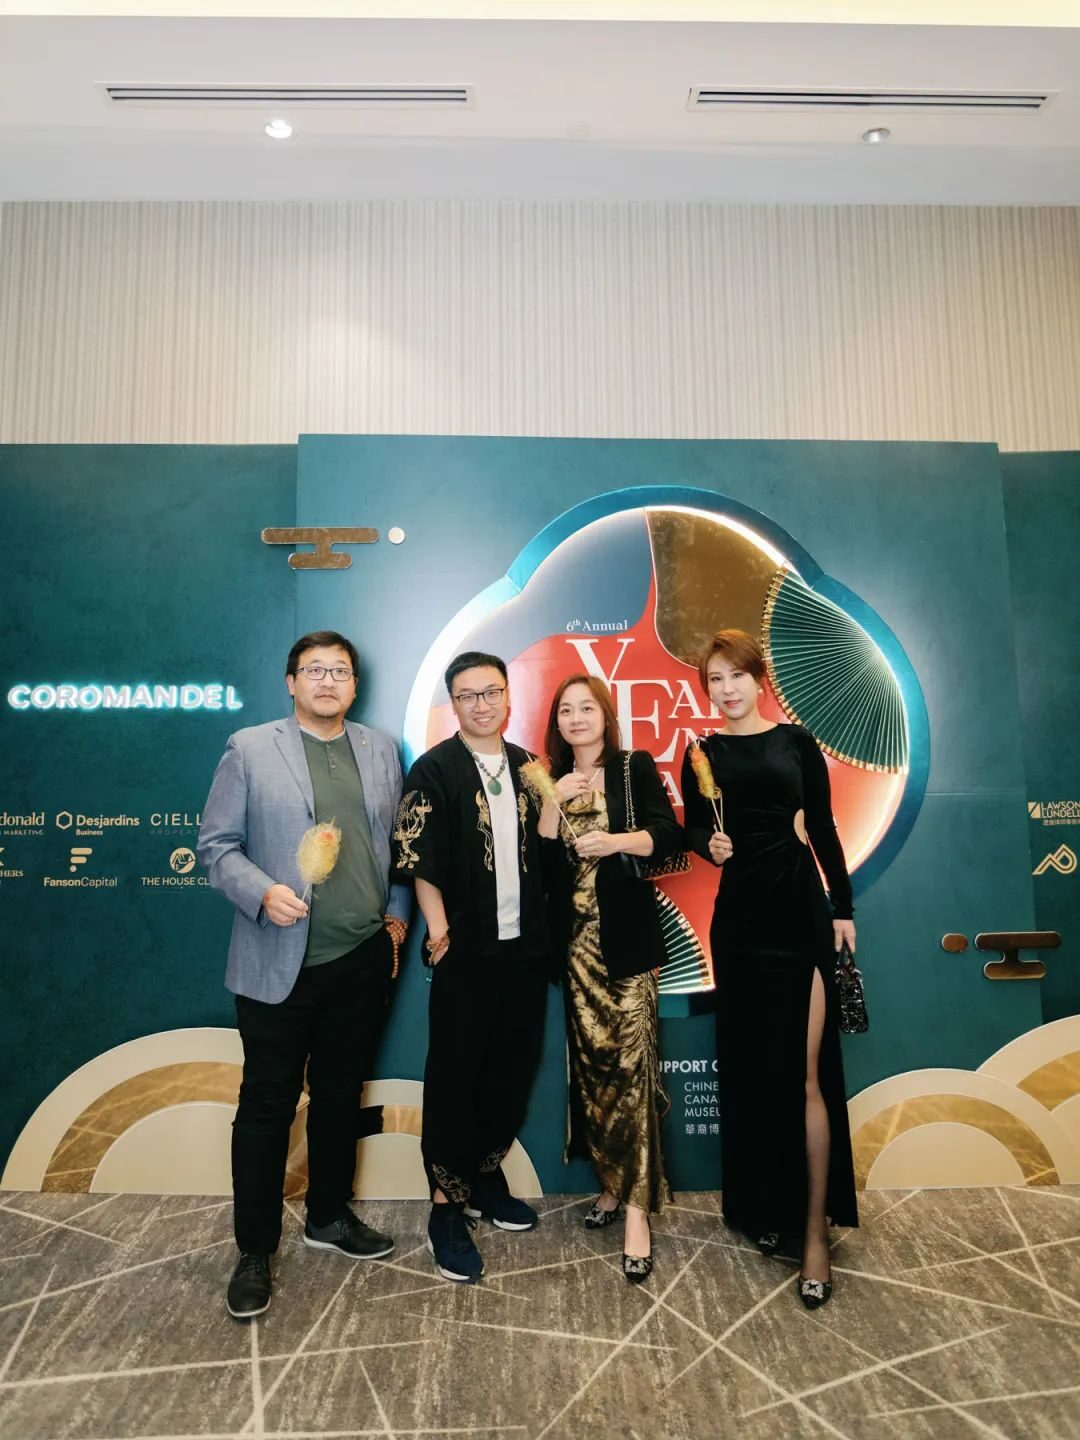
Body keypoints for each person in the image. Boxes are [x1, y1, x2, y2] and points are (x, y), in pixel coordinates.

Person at [198, 630, 410, 1320]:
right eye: (314, 670)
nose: (327, 681)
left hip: (360, 959)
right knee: (267, 1107)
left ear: (354, 685)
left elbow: (397, 846)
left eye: (339, 671)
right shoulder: (250, 749)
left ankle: (328, 1217)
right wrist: (262, 892)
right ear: (291, 682)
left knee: (341, 1096)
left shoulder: (380, 750)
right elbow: (216, 847)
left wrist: (397, 918)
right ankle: (254, 1250)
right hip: (276, 963)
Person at [680, 628, 858, 1310]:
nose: (726, 689)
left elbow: (826, 826)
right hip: (739, 924)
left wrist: (842, 907)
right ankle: (767, 1207)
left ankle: (814, 1233)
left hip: (798, 914)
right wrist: (711, 845)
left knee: (805, 1076)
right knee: (754, 1072)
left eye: (736, 675)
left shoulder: (796, 743)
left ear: (759, 679)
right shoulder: (702, 753)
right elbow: (694, 828)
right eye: (714, 679)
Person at [392, 651, 551, 1284]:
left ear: (509, 697)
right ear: (452, 703)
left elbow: (549, 849)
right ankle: (445, 1206)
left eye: (491, 692)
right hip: (465, 949)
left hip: (526, 951)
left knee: (512, 1067)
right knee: (456, 1074)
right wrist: (438, 928)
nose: (481, 705)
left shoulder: (530, 766)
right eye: (467, 695)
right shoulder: (434, 769)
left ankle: (485, 1179)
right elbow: (418, 857)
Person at [538, 675, 681, 1284]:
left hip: (625, 946)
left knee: (633, 1071)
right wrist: (551, 803)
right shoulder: (547, 778)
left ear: (604, 714)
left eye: (586, 708)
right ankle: (611, 1183)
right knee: (594, 1072)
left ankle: (637, 1214)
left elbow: (668, 836)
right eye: (566, 710)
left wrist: (614, 840)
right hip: (575, 950)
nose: (576, 718)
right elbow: (538, 865)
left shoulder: (631, 767)